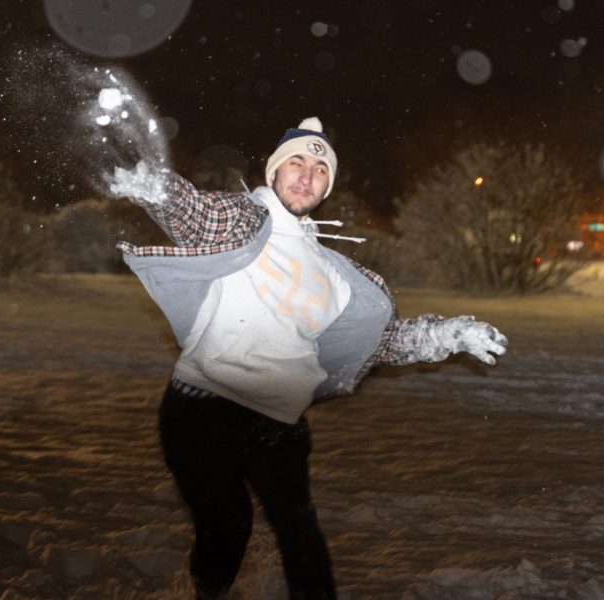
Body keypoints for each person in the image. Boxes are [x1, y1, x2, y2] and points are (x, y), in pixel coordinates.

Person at [110, 117, 508, 599]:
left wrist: (450, 333)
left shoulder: (333, 271)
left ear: (327, 186)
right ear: (274, 172)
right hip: (203, 409)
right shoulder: (244, 222)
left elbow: (380, 340)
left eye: (320, 168)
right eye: (296, 162)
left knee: (304, 540)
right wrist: (155, 187)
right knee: (228, 525)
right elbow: (195, 212)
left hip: (278, 422)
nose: (307, 174)